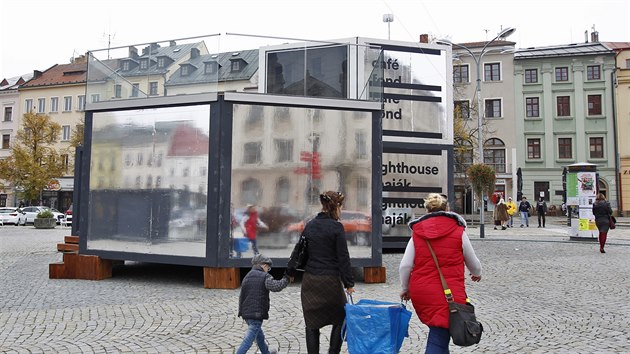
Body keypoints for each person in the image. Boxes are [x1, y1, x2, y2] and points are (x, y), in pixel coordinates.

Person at [399, 193, 482, 353]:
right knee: (438, 336)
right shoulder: (458, 231)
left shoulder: (417, 233)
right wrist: (476, 272)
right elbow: (473, 263)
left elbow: (405, 265)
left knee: (439, 330)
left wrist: (405, 288)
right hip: (449, 293)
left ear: (427, 210)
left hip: (422, 292)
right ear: (448, 209)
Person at [295, 191, 355, 354]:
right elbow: (343, 257)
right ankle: (333, 351)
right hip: (330, 281)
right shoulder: (336, 227)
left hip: (310, 281)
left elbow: (302, 252)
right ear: (337, 207)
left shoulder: (310, 224)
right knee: (341, 316)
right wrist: (348, 283)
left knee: (311, 324)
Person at [236, 254, 291, 354]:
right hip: (256, 314)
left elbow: (242, 296)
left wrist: (241, 312)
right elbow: (276, 286)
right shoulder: (265, 276)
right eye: (268, 268)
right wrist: (286, 279)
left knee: (260, 337)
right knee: (248, 340)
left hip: (246, 314)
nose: (268, 270)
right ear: (264, 266)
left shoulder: (247, 276)